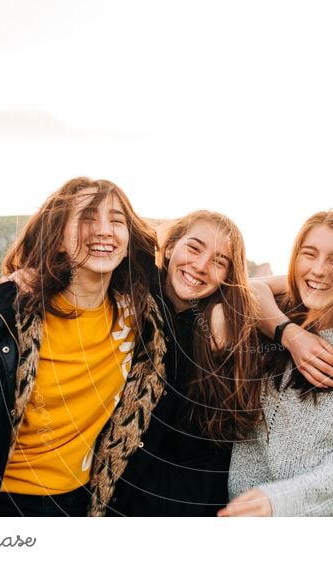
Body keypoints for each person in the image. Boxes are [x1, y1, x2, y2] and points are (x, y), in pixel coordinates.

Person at [0, 177, 167, 517]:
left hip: (80, 504)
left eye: (116, 220)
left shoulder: (139, 315)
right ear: (58, 239)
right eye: (86, 218)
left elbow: (207, 282)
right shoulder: (11, 314)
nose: (103, 230)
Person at [219, 211, 333, 517]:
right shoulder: (267, 317)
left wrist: (281, 500)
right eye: (308, 254)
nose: (318, 269)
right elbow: (243, 290)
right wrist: (289, 334)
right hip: (241, 509)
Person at [94, 210, 263, 516]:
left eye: (219, 261)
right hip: (102, 492)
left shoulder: (223, 330)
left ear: (228, 274)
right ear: (170, 247)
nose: (200, 266)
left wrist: (283, 330)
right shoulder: (129, 294)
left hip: (181, 505)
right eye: (194, 248)